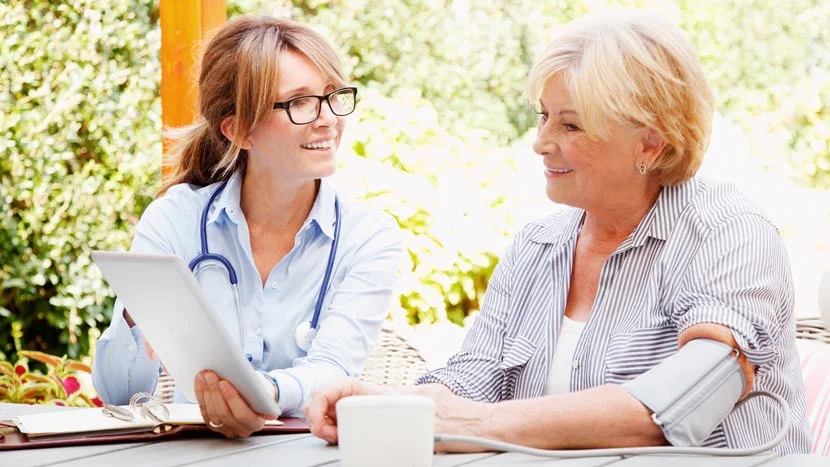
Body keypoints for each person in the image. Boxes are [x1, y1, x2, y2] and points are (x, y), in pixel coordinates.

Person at [304, 10, 811, 454]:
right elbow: (469, 379)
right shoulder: (536, 246)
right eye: (543, 117)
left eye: (570, 125)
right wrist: (386, 407)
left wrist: (476, 425)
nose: (541, 143)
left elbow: (684, 401)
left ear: (650, 143)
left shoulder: (728, 232)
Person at [92, 15, 404, 438]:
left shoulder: (369, 238)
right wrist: (137, 313)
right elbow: (119, 395)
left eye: (332, 95)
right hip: (193, 454)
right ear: (239, 129)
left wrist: (264, 392)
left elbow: (333, 368)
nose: (329, 118)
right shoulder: (174, 221)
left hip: (308, 453)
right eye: (300, 102)